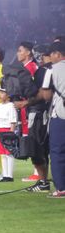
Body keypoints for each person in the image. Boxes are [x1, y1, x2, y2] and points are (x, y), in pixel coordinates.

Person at [18, 43, 53, 191]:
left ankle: (44, 182)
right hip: (47, 113)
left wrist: (25, 102)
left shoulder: (41, 71)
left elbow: (42, 94)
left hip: (39, 113)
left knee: (37, 148)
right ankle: (43, 182)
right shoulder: (48, 70)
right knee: (46, 149)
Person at [15, 41, 42, 183]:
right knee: (30, 139)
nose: (18, 53)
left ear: (28, 53)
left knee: (34, 140)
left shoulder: (31, 67)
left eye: (20, 50)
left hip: (32, 109)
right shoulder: (26, 67)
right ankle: (36, 172)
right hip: (27, 110)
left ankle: (38, 174)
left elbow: (32, 91)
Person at [41, 40, 65, 198]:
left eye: (51, 54)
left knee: (57, 152)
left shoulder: (51, 69)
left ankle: (61, 188)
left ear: (57, 54)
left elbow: (46, 94)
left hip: (60, 114)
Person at [0, 87, 17, 183]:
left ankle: (10, 175)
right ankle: (5, 175)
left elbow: (13, 122)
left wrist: (11, 133)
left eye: (2, 93)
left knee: (9, 153)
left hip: (7, 131)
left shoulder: (11, 106)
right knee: (2, 154)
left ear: (8, 95)